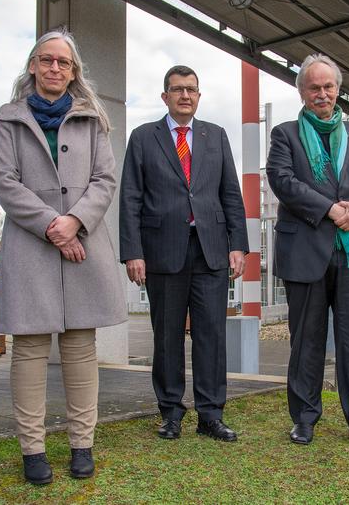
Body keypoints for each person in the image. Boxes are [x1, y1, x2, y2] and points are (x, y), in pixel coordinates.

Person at [0, 28, 126, 484]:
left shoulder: (93, 120)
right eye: (46, 60)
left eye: (63, 63)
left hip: (82, 246)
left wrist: (76, 222)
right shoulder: (9, 119)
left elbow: (105, 180)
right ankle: (33, 449)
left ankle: (81, 443)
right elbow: (5, 182)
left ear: (73, 72)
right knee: (28, 349)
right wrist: (54, 225)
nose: (54, 68)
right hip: (31, 246)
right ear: (32, 65)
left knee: (80, 347)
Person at [266, 54, 349, 450]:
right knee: (306, 340)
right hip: (306, 250)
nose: (322, 94)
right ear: (302, 91)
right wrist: (331, 209)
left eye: (328, 86)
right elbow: (281, 180)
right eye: (314, 87)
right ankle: (303, 419)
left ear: (338, 89)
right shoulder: (285, 134)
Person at [119, 65, 248, 442]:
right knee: (167, 336)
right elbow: (130, 197)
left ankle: (211, 414)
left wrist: (237, 244)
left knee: (211, 335)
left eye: (191, 89)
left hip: (210, 252)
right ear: (165, 97)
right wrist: (133, 252)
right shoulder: (144, 138)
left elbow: (231, 195)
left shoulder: (216, 136)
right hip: (162, 252)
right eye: (177, 90)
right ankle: (171, 412)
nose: (185, 95)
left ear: (199, 95)